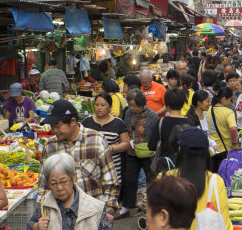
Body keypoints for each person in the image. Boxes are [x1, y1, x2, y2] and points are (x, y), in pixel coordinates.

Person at [39, 100, 119, 220]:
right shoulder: (49, 146)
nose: (54, 130)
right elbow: (43, 185)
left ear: (72, 121)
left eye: (58, 126)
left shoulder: (96, 140)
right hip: (62, 217)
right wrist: (41, 214)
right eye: (52, 126)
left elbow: (110, 179)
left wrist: (109, 211)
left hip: (93, 214)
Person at [163, 128, 233, 230]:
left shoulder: (165, 179)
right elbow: (225, 224)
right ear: (207, 153)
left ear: (179, 150)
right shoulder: (215, 181)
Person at [28, 153, 111, 230]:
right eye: (53, 183)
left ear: (74, 177)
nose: (59, 187)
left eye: (63, 182)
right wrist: (37, 226)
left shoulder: (95, 207)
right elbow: (30, 224)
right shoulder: (45, 203)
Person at [118, 89, 159, 219]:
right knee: (129, 179)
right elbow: (124, 128)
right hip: (131, 152)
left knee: (152, 179)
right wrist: (129, 141)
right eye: (129, 104)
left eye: (133, 105)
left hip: (148, 153)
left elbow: (154, 136)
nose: (131, 107)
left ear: (142, 104)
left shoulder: (152, 116)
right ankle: (126, 208)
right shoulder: (128, 112)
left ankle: (154, 207)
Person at [81, 93, 129, 182]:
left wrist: (111, 148)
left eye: (103, 105)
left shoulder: (118, 123)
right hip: (90, 168)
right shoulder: (86, 122)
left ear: (110, 107)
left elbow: (126, 143)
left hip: (113, 167)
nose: (99, 108)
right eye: (96, 105)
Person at [149, 89, 189, 171]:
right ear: (182, 104)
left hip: (165, 166)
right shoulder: (190, 123)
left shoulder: (161, 122)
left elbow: (151, 146)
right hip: (185, 166)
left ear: (167, 105)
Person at [207, 87, 238, 172]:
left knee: (212, 175)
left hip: (211, 149)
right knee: (223, 175)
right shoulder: (228, 112)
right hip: (225, 149)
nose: (230, 103)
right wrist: (234, 143)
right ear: (224, 99)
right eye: (230, 100)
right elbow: (233, 129)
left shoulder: (207, 110)